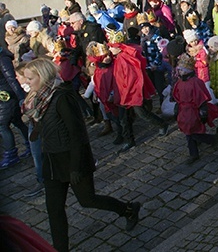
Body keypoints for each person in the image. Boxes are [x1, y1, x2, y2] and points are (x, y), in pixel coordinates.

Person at [22, 58, 140, 252]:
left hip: (72, 157)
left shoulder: (62, 97)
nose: (27, 82)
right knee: (54, 209)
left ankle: (128, 209)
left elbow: (78, 133)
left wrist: (76, 166)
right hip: (52, 160)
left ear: (42, 77)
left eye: (30, 78)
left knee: (87, 200)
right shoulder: (38, 98)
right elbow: (47, 125)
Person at [0, 46, 30, 169]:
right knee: (17, 121)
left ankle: (11, 154)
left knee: (2, 124)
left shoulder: (2, 58)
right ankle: (31, 144)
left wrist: (21, 98)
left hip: (7, 96)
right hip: (6, 95)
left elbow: (12, 79)